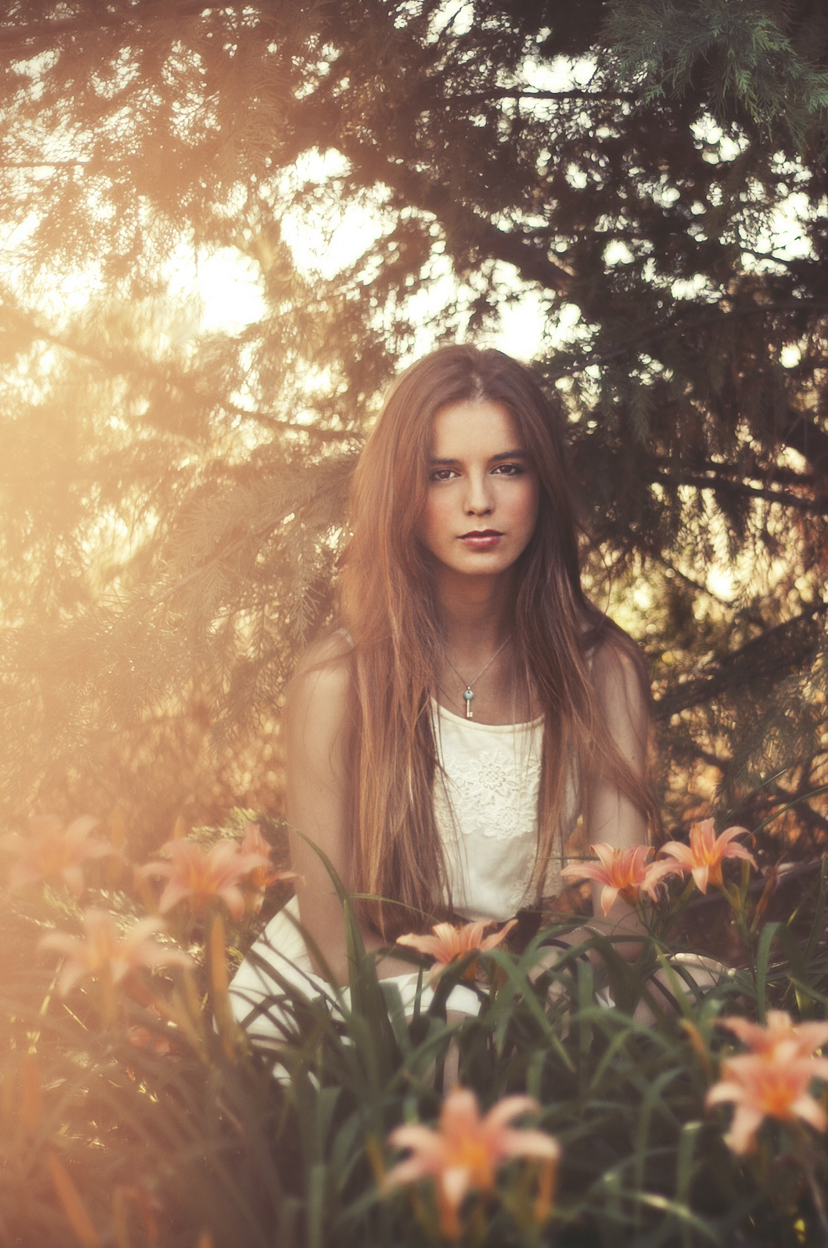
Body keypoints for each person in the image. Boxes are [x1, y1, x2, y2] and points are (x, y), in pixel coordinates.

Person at [229, 345, 660, 1037]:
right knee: (456, 1059)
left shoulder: (603, 670)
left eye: (508, 468)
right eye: (444, 473)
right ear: (403, 489)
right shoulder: (336, 682)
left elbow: (625, 916)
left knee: (673, 1016)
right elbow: (332, 935)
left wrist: (530, 989)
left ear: (541, 482)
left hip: (526, 979)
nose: (479, 500)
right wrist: (461, 1012)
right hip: (364, 979)